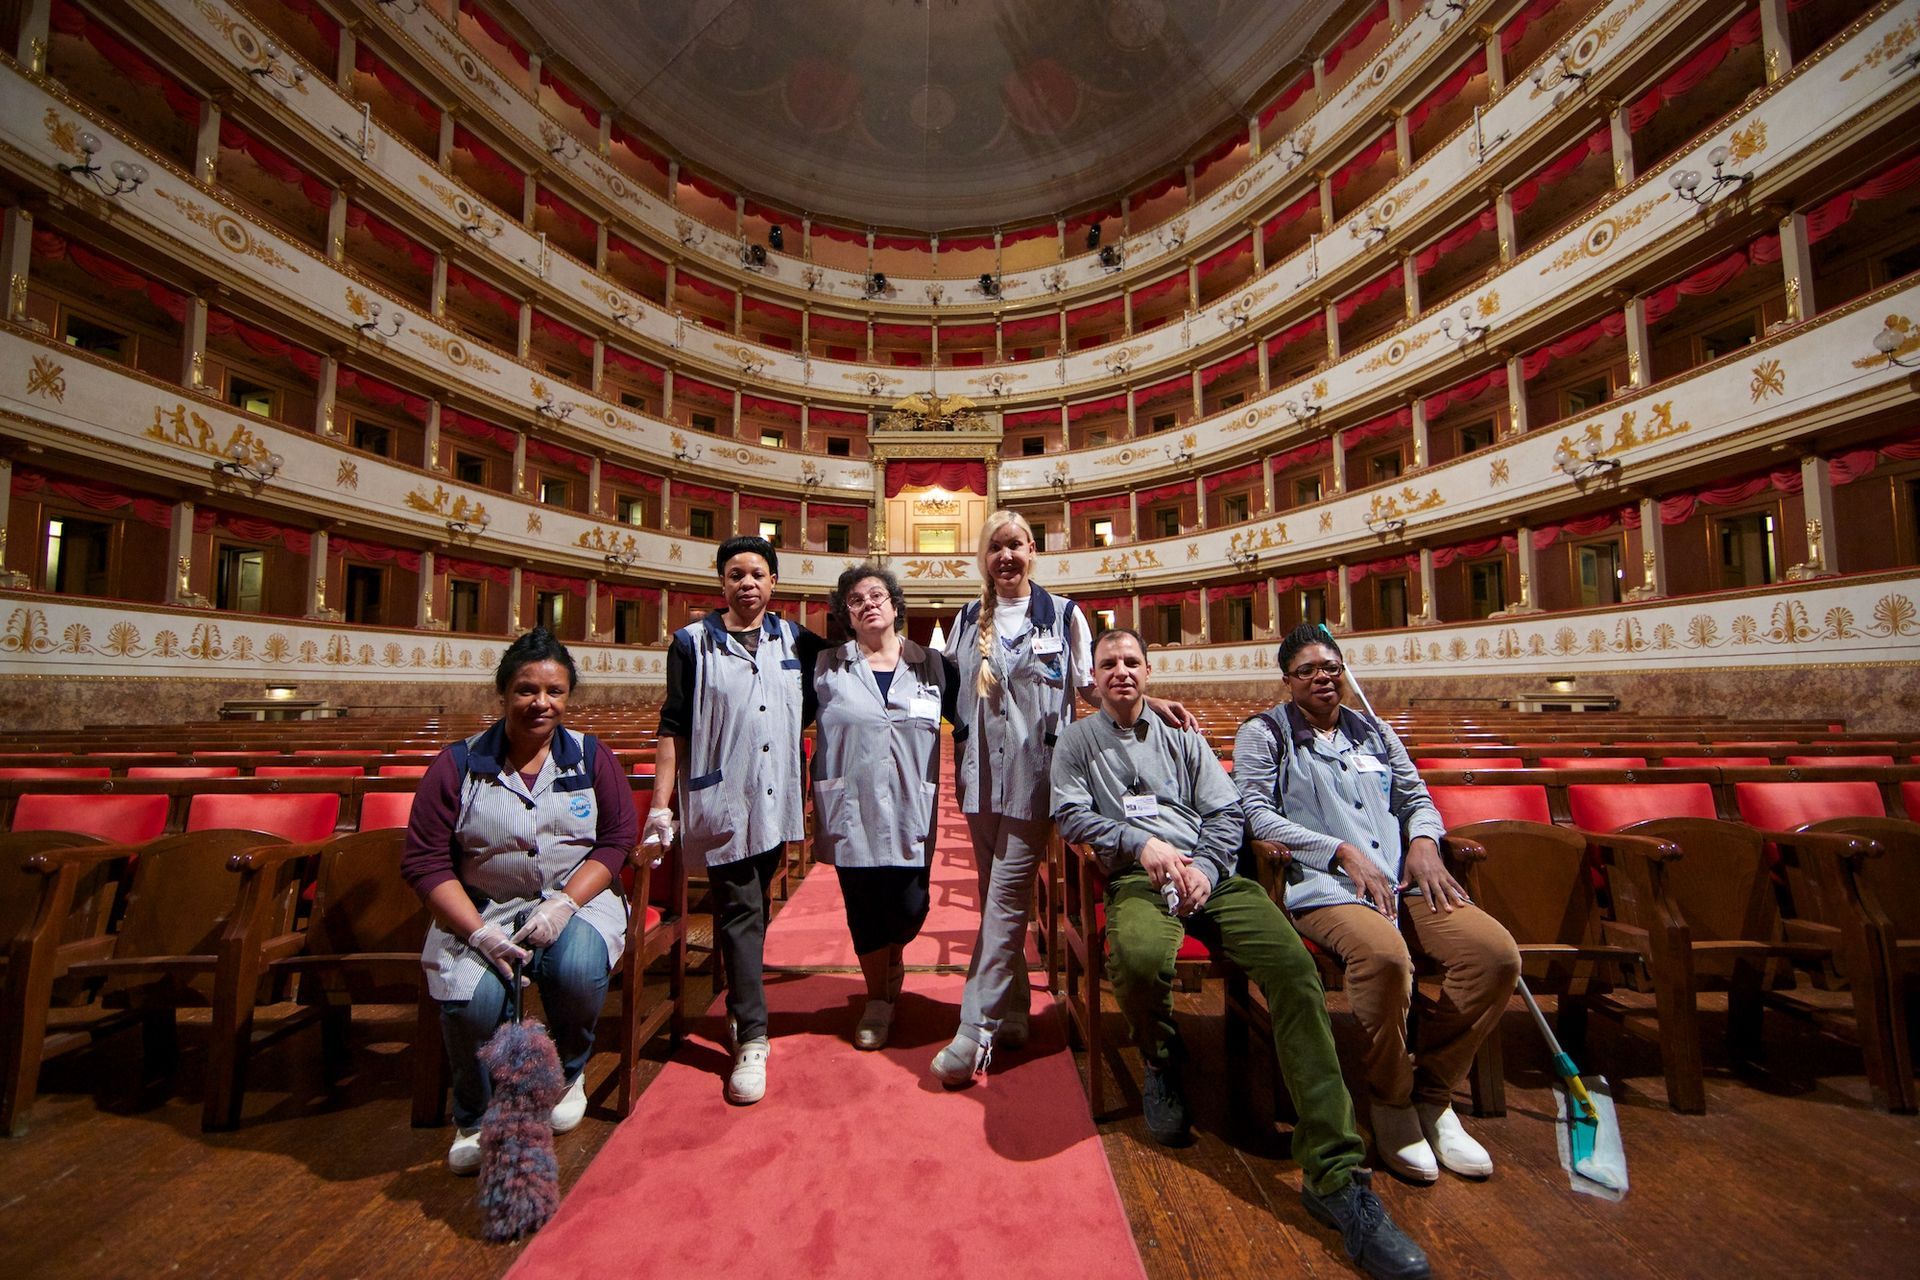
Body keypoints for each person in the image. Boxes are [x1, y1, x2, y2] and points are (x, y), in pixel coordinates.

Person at [1051, 628, 1430, 1280]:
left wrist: (1206, 864)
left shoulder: (1182, 733)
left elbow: (1226, 814)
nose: (1121, 671)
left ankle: (1335, 1174)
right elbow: (1069, 814)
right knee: (1139, 963)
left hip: (1214, 878)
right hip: (1141, 878)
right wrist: (1139, 846)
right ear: (1094, 674)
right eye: (1109, 662)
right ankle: (1162, 1059)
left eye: (1132, 661)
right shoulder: (1078, 740)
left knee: (1294, 971)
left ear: (1148, 670)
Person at [1234, 625, 1520, 1183]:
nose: (1323, 677)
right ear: (1287, 680)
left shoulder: (1375, 730)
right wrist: (1337, 851)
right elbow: (1255, 815)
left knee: (1494, 956)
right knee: (1386, 960)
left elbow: (1416, 798)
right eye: (1309, 670)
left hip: (1404, 882)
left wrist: (1424, 843)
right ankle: (1391, 1101)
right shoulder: (1265, 733)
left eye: (1332, 666)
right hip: (1324, 888)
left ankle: (1433, 1093)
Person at [932, 509, 1192, 1086]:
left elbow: (1090, 690)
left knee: (1003, 901)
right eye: (996, 547)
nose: (1007, 557)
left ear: (1032, 552)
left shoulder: (1065, 616)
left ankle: (974, 1030)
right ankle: (1016, 1011)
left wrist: (1155, 706)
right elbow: (951, 695)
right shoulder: (968, 617)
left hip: (1038, 780)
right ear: (985, 557)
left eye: (1017, 546)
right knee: (994, 901)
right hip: (978, 782)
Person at [402, 628, 636, 1175]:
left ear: (568, 697)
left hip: (575, 896)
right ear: (504, 693)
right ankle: (475, 1116)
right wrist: (477, 931)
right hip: (482, 905)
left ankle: (567, 1071)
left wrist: (564, 905)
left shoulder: (590, 756)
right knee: (474, 1001)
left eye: (554, 691)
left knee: (578, 967)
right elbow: (426, 861)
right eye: (527, 690)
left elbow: (617, 838)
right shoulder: (457, 764)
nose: (541, 703)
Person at [649, 535, 826, 1105]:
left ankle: (739, 985)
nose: (747, 583)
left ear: (774, 584)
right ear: (721, 583)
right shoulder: (691, 644)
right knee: (742, 908)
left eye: (757, 574)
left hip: (775, 801)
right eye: (735, 574)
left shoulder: (796, 638)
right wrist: (660, 804)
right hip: (723, 797)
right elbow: (673, 726)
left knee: (753, 905)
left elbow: (839, 681)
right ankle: (751, 1034)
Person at [810, 563, 959, 1049]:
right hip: (851, 808)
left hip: (910, 806)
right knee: (864, 907)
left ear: (895, 605)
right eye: (856, 600)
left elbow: (983, 716)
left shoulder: (932, 666)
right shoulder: (825, 667)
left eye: (877, 595)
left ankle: (892, 962)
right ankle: (877, 998)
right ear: (845, 616)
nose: (868, 603)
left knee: (910, 907)